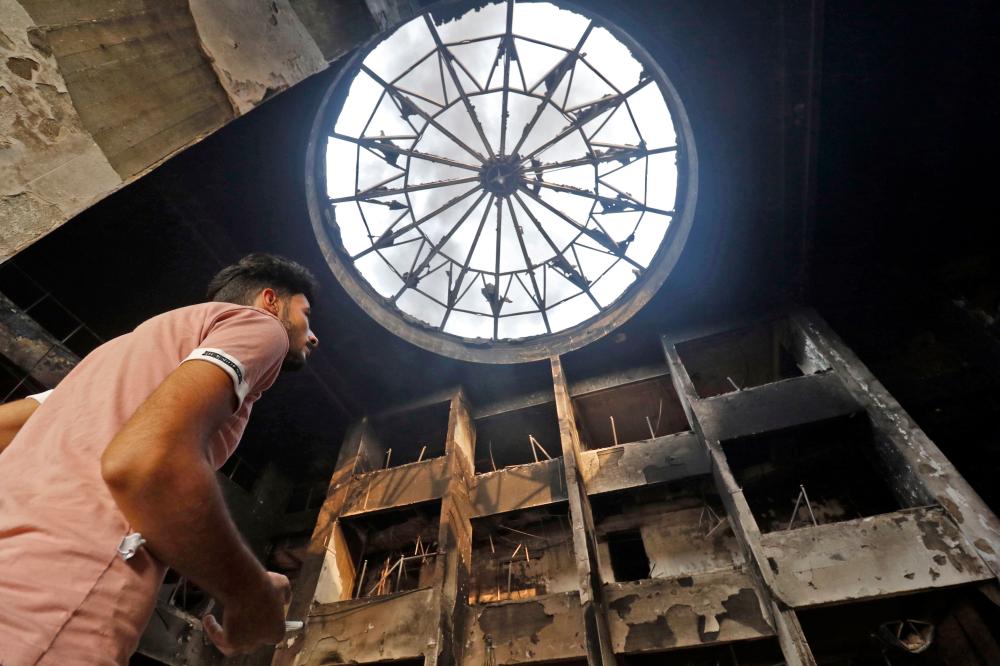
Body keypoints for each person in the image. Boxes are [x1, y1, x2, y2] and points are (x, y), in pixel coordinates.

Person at [0, 253, 320, 664]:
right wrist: (250, 593)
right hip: (54, 600)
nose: (314, 336)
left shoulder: (113, 354)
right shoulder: (262, 327)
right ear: (270, 300)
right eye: (305, 315)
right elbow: (146, 462)